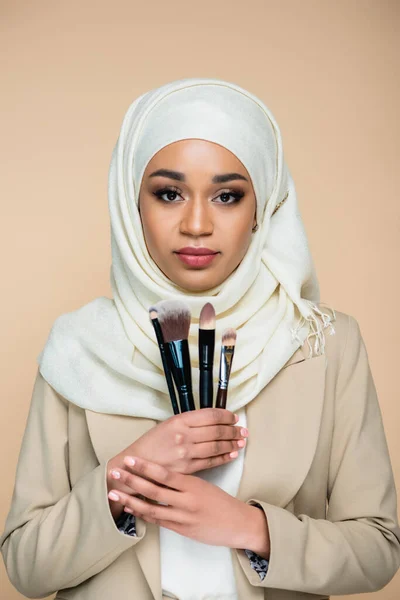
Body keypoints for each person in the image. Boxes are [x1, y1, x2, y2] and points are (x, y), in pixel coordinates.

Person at [1, 77, 399, 600]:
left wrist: (249, 527)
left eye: (227, 196)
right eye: (169, 193)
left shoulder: (324, 344)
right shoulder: (78, 348)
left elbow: (378, 548)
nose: (195, 224)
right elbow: (26, 568)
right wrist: (130, 476)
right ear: (130, 204)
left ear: (263, 206)